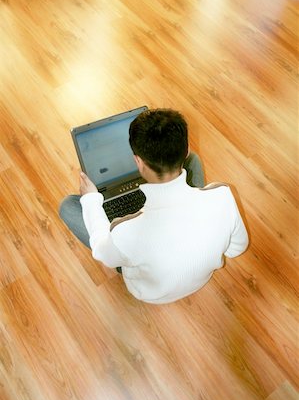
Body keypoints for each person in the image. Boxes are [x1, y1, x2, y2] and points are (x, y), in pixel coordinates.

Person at [59, 108, 248, 304]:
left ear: (138, 162)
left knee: (68, 206)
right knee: (196, 161)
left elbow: (103, 252)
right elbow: (236, 248)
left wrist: (91, 200)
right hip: (201, 277)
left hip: (150, 293)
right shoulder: (223, 196)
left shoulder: (124, 232)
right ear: (186, 150)